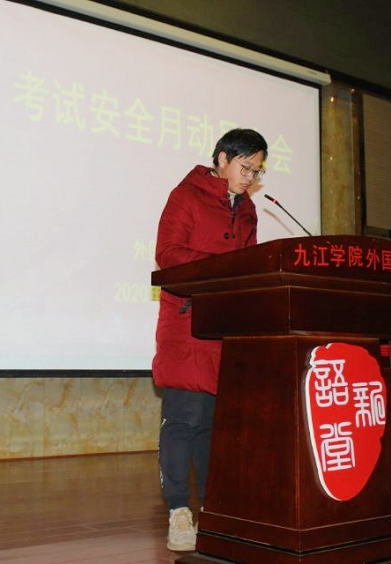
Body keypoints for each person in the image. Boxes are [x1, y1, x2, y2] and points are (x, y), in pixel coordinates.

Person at [152, 128, 268, 552]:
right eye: (246, 167)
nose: (250, 177)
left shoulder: (249, 210)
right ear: (222, 159)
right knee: (185, 419)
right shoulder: (186, 196)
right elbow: (168, 255)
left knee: (214, 425)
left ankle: (214, 509)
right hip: (188, 324)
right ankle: (178, 510)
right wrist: (223, 269)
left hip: (226, 327)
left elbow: (249, 264)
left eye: (257, 171)